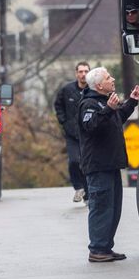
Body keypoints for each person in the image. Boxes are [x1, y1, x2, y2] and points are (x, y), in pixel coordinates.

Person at [78, 66, 139, 262]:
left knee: (113, 209)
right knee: (101, 207)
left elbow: (118, 117)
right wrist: (108, 110)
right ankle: (97, 249)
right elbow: (91, 126)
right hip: (98, 166)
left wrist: (132, 101)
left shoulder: (106, 103)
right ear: (99, 85)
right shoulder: (88, 104)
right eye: (108, 78)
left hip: (111, 165)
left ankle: (105, 247)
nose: (113, 79)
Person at [54, 61, 90, 203]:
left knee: (87, 164)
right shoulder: (67, 90)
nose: (83, 74)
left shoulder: (93, 90)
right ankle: (79, 187)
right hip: (72, 134)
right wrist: (63, 121)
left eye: (86, 71)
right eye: (80, 72)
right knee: (74, 161)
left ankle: (88, 194)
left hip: (88, 134)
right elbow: (58, 105)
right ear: (76, 74)